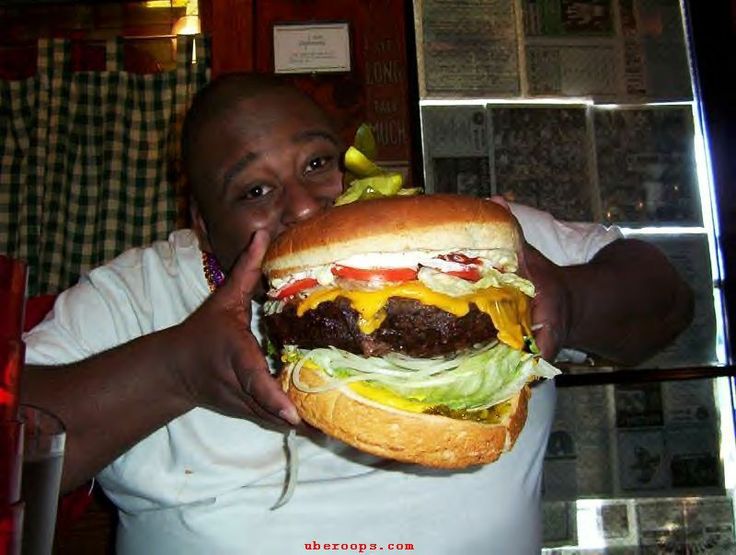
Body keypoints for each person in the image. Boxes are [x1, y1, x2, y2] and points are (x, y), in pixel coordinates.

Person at [20, 73, 694, 554]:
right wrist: (177, 372)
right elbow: (14, 449)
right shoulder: (134, 293)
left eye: (317, 162)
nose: (307, 205)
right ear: (200, 222)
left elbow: (667, 299)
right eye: (254, 188)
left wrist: (570, 302)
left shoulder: (473, 237)